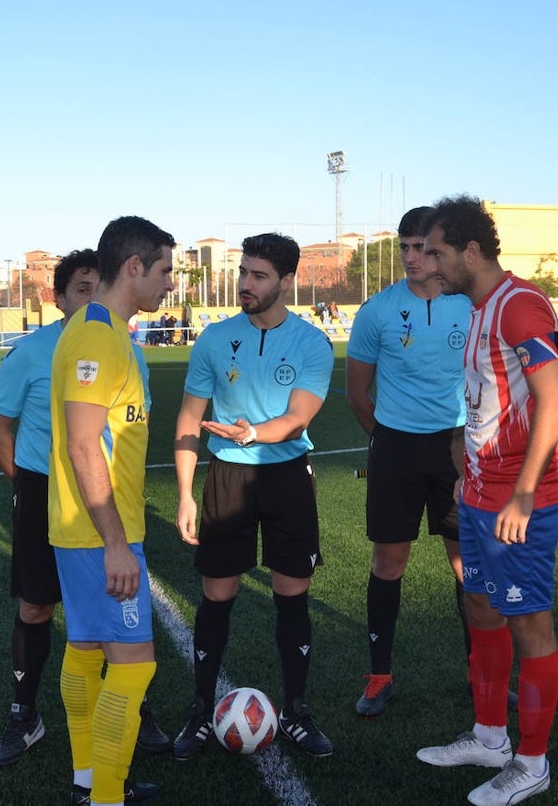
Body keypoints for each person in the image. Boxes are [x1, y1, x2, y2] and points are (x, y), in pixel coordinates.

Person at [0, 249, 168, 768]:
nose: (90, 298)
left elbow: (132, 423)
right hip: (51, 494)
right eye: (79, 290)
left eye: (95, 286)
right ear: (58, 298)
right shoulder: (37, 351)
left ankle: (129, 720)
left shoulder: (122, 346)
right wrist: (24, 485)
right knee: (40, 606)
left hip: (103, 493)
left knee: (99, 630)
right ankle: (26, 715)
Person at [417, 195, 558, 806]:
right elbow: (489, 402)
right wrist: (468, 471)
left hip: (520, 501)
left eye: (437, 253)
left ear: (471, 251)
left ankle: (531, 765)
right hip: (482, 493)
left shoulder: (520, 306)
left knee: (529, 623)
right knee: (481, 608)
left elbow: (553, 402)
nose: (428, 264)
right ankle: (489, 736)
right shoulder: (479, 308)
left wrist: (524, 496)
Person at [172, 233, 336, 760]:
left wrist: (250, 434)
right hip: (227, 478)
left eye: (259, 275)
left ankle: (296, 711)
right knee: (217, 595)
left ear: (286, 281)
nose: (246, 283)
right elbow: (189, 418)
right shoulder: (215, 340)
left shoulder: (312, 344)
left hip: (287, 477)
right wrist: (185, 494)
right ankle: (200, 711)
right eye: (244, 272)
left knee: (291, 594)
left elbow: (296, 420)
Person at [49, 216, 176, 806]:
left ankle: (88, 783)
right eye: (165, 270)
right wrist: (116, 542)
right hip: (98, 532)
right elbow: (82, 443)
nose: (170, 284)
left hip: (87, 530)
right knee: (132, 665)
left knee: (86, 650)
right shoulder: (97, 336)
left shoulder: (106, 332)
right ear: (134, 267)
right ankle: (105, 797)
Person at [346, 207, 479, 718]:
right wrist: (386, 440)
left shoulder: (466, 307)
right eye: (403, 247)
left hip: (454, 449)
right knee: (389, 563)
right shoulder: (376, 311)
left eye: (421, 247)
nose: (411, 257)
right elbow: (357, 394)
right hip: (396, 447)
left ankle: (479, 673)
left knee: (466, 564)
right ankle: (379, 677)